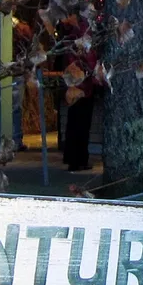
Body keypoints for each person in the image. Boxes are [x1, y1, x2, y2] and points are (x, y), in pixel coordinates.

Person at [58, 15, 98, 173]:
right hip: (84, 85)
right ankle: (79, 159)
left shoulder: (68, 35)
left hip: (73, 82)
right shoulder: (83, 32)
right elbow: (90, 58)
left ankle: (72, 157)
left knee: (73, 122)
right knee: (82, 124)